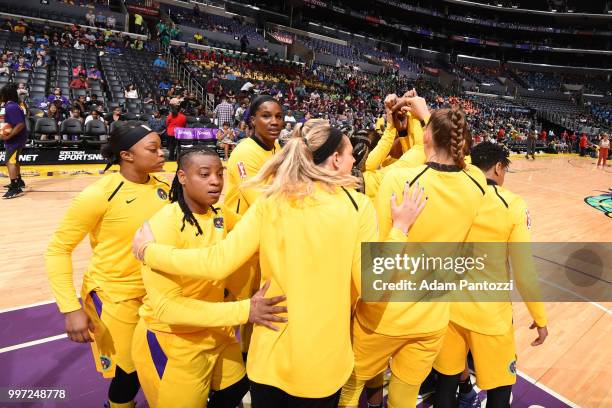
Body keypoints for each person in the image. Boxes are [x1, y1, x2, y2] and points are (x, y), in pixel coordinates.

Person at [132, 119, 426, 408]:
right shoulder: (356, 206)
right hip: (320, 363)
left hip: (267, 358)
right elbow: (370, 283)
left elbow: (218, 262)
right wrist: (399, 229)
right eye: (350, 154)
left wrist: (151, 252)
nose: (354, 160)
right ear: (336, 160)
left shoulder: (270, 201)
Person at [339, 100, 487, 408]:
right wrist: (428, 116)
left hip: (384, 314)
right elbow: (466, 159)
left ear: (427, 137)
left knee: (350, 389)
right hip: (431, 318)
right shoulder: (477, 184)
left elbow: (377, 253)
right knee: (405, 397)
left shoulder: (399, 180)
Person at [132, 147, 287, 407]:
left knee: (236, 387)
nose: (215, 181)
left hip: (215, 331)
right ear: (182, 177)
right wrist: (245, 310)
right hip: (173, 339)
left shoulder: (218, 214)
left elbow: (258, 229)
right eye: (204, 174)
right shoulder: (163, 225)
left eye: (219, 174)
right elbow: (167, 308)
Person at [45, 122, 169, 408]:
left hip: (157, 293)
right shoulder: (99, 194)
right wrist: (70, 308)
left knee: (164, 362)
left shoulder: (165, 189)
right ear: (126, 155)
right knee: (130, 371)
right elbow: (58, 250)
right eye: (153, 149)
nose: (162, 153)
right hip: (114, 295)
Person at [433, 141, 548, 408]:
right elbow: (524, 271)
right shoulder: (512, 204)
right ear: (498, 168)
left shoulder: (453, 194)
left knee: (446, 385)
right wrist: (539, 317)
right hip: (490, 315)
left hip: (447, 308)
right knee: (499, 391)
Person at [221, 96, 282, 356]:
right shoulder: (245, 152)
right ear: (252, 120)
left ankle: (248, 361)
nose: (274, 122)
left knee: (258, 303)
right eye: (266, 116)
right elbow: (260, 201)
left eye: (278, 116)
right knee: (241, 306)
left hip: (266, 238)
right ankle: (226, 369)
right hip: (242, 239)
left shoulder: (277, 147)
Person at [1, 83, 28, 199]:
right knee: (14, 160)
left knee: (9, 161)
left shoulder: (11, 107)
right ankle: (19, 181)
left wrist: (9, 135)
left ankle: (15, 188)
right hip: (16, 139)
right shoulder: (11, 105)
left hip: (15, 140)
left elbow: (20, 124)